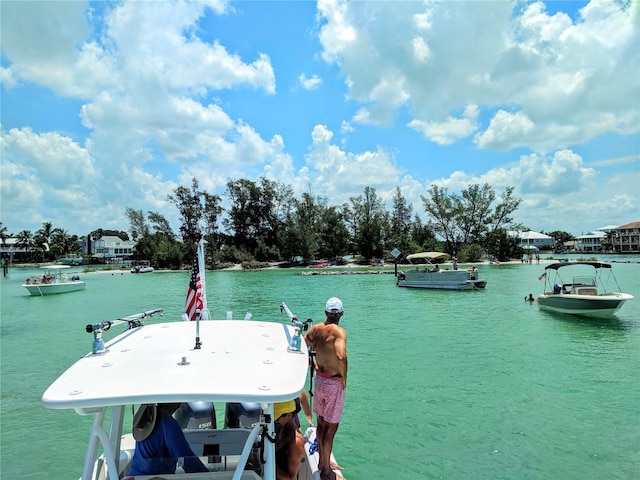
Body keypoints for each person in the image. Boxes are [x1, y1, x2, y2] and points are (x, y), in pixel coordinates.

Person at [303, 297, 348, 480]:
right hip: (333, 383)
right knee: (331, 429)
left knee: (321, 425)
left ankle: (324, 462)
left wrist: (311, 364)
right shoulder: (339, 332)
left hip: (319, 379)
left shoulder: (315, 330)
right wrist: (343, 376)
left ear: (325, 313)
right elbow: (341, 354)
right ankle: (326, 472)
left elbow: (301, 346)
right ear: (342, 314)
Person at [129, 403, 208, 476]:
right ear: (176, 405)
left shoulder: (148, 418)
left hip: (135, 475)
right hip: (154, 477)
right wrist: (209, 476)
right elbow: (186, 459)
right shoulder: (169, 424)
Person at [274, 400, 304, 480]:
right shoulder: (278, 427)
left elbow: (290, 478)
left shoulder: (296, 442)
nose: (274, 421)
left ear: (289, 416)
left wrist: (268, 465)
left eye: (277, 418)